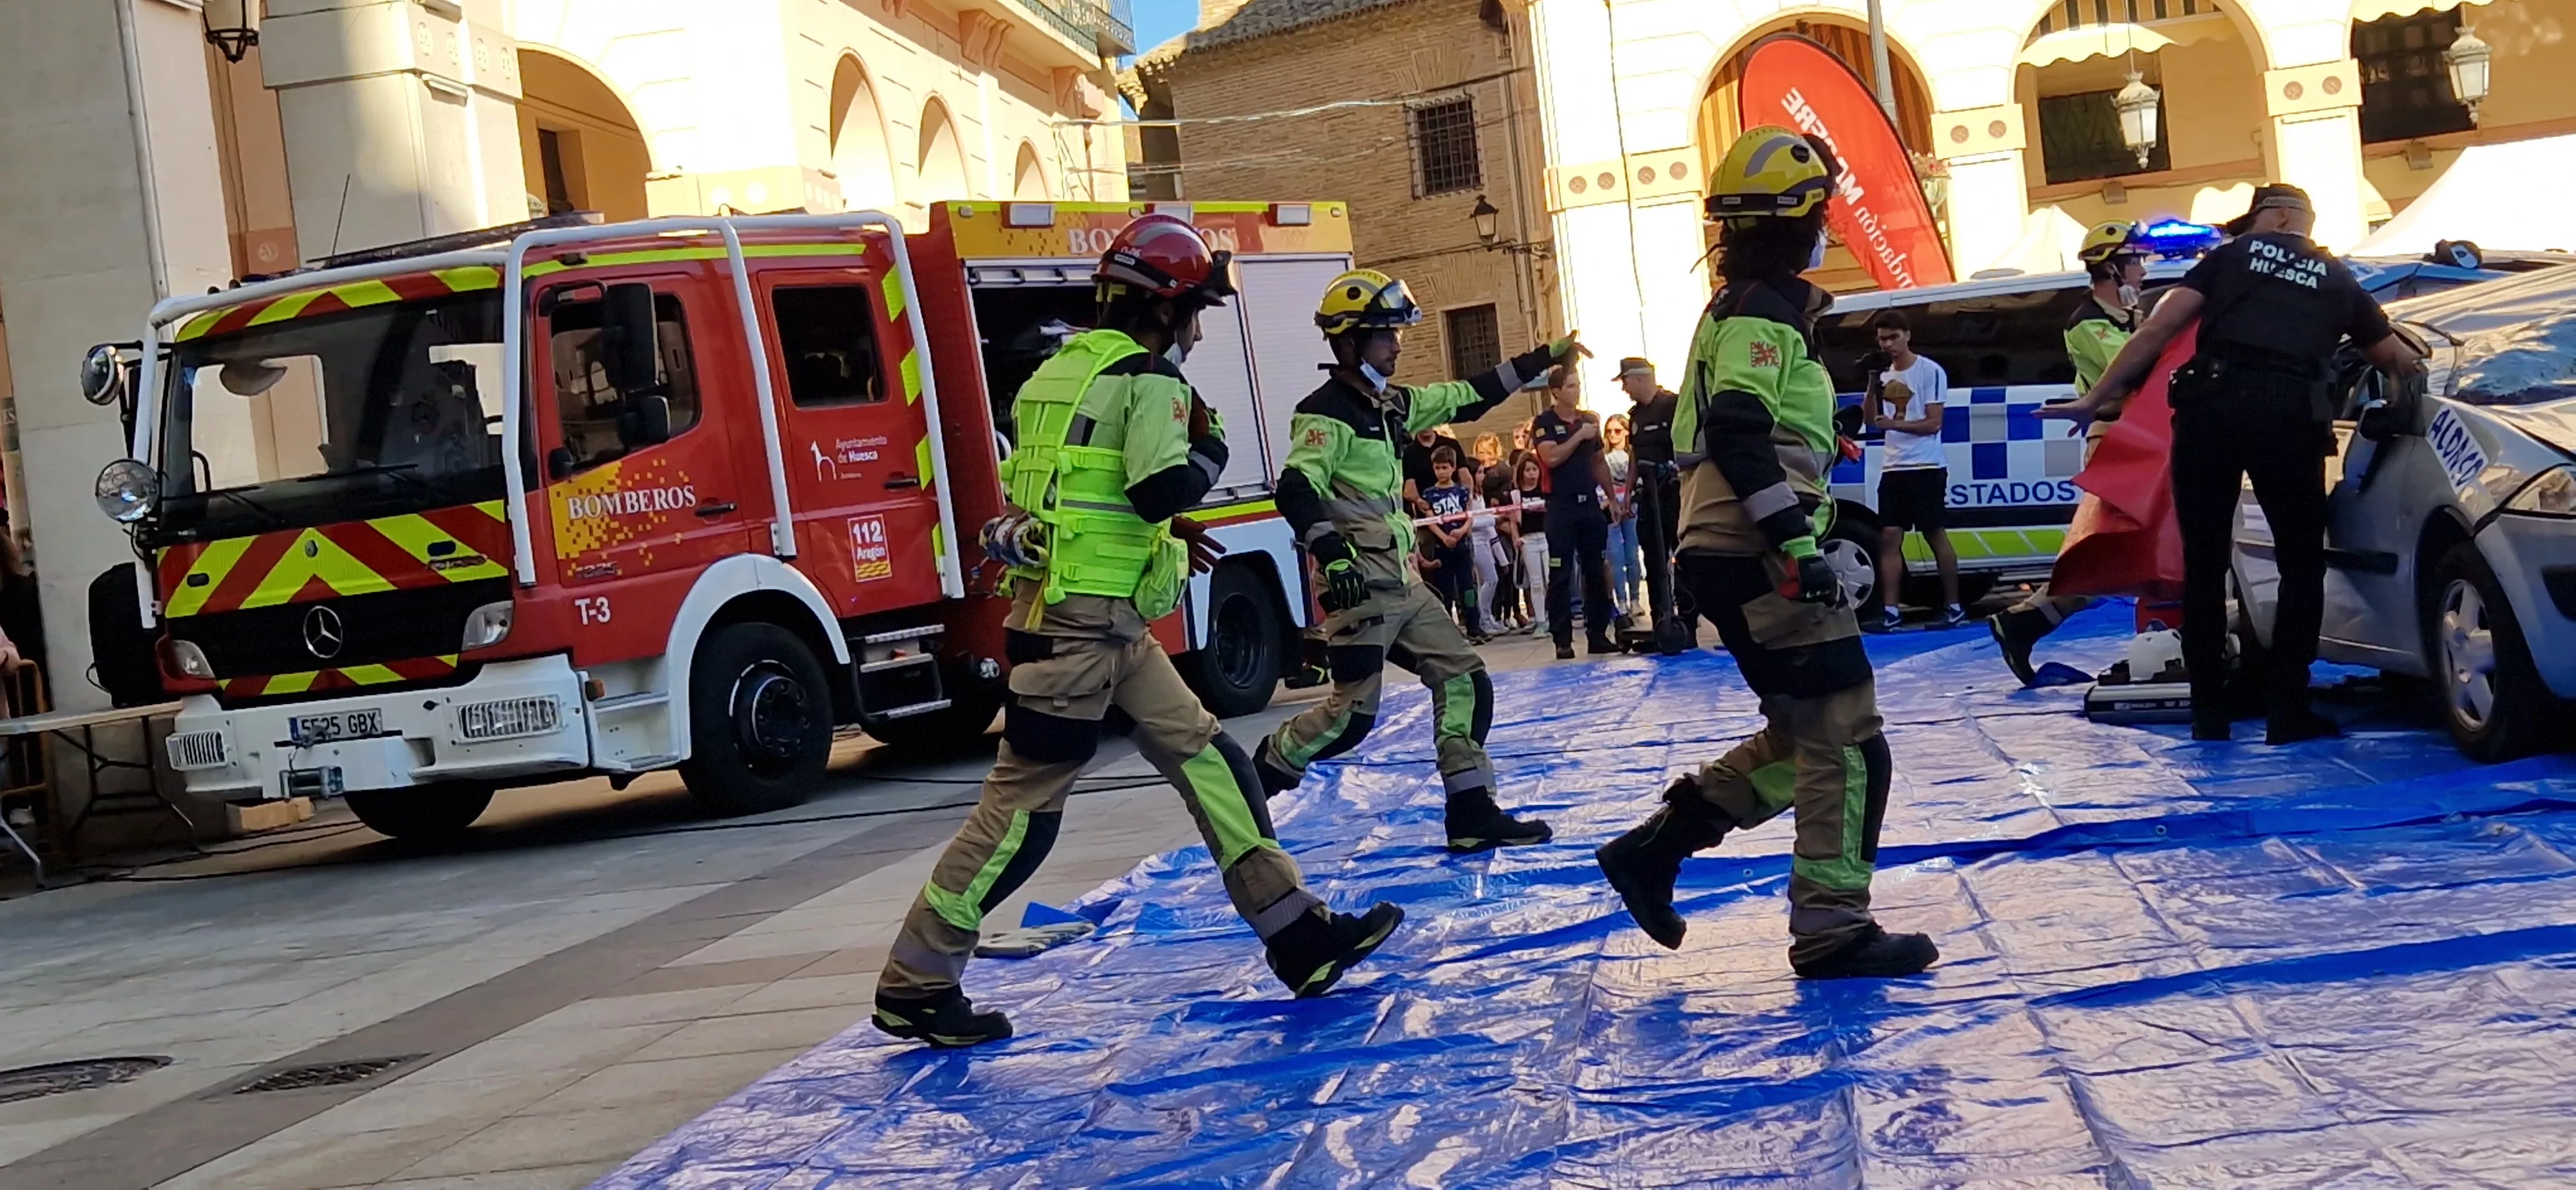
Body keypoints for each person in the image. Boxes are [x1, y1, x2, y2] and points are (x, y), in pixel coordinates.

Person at [874, 216, 1402, 1048]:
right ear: (1166, 310)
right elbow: (1159, 485)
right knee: (1020, 819)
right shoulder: (1152, 382)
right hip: (1083, 638)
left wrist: (1163, 539)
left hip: (1100, 623)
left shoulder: (1060, 373)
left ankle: (1298, 938)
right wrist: (1214, 447)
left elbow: (1073, 490)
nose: (1198, 327)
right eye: (1195, 310)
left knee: (1217, 764)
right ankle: (916, 982)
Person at [1593, 126, 1938, 981]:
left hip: (1726, 545)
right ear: (1804, 220)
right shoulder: (1762, 311)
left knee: (1805, 733)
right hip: (1758, 552)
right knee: (1851, 742)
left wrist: (1823, 445)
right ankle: (1832, 929)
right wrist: (1795, 541)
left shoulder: (1737, 307)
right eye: (1822, 209)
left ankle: (1656, 851)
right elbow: (1740, 432)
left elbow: (1731, 431)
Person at [2041, 183, 2421, 743]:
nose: (2250, 229)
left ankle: (2209, 715)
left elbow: (2159, 328)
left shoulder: (2228, 257)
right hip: (2288, 418)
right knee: (2300, 566)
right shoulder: (2336, 276)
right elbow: (2394, 359)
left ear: (2283, 216)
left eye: (2256, 219)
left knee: (2204, 564)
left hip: (2209, 411)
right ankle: (2288, 711)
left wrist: (2094, 400)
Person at [1256, 268, 1577, 851]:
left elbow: (1469, 394)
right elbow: (1296, 487)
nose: (1398, 345)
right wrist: (1332, 552)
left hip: (1399, 583)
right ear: (1350, 342)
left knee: (1464, 679)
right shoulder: (1325, 413)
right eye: (1386, 336)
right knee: (1351, 718)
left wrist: (1539, 359)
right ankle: (1256, 784)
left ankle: (1472, 814)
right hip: (1361, 585)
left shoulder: (1392, 405)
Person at [1991, 220, 2148, 683]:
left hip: (2144, 442)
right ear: (2113, 269)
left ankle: (2026, 621)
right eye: (2135, 261)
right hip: (2118, 444)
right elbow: (2131, 373)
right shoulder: (2088, 325)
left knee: (2125, 555)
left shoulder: (2131, 320)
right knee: (2110, 552)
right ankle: (2025, 621)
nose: (2142, 271)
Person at [1865, 310, 1962, 630]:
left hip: (1926, 464)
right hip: (1894, 466)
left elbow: (1934, 423)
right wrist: (1870, 382)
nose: (1888, 344)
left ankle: (1953, 605)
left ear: (1907, 335)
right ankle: (1891, 611)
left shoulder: (1929, 371)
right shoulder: (1883, 375)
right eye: (1882, 339)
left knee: (1934, 533)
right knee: (1890, 535)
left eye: (1893, 337)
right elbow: (1871, 420)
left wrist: (1895, 424)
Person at [1532, 365, 1625, 659]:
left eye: (1578, 385)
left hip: (1589, 506)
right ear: (1557, 391)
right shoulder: (1545, 422)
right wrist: (1577, 437)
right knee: (1560, 572)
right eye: (1570, 386)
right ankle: (1562, 638)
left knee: (1596, 570)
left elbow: (1599, 461)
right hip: (1561, 506)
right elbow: (1551, 457)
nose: (1576, 390)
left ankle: (1598, 633)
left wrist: (1612, 498)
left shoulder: (1588, 420)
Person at [1620, 357, 1685, 644]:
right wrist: (1627, 493)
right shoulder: (1635, 415)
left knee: (1682, 555)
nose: (1624, 388)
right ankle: (1661, 618)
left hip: (1673, 492)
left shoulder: (1672, 405)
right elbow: (1634, 455)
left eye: (1626, 381)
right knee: (1653, 556)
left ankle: (1687, 618)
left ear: (1640, 379)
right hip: (1648, 494)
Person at [1421, 446, 1482, 639]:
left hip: (1462, 546)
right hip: (1442, 547)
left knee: (1467, 587)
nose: (1441, 472)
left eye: (1444, 467)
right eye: (1437, 468)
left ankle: (1474, 626)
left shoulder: (1462, 492)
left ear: (1453, 468)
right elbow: (1430, 520)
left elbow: (1469, 516)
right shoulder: (1429, 494)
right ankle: (1448, 631)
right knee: (1445, 589)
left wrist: (1461, 531)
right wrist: (1444, 537)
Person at [1604, 413, 1643, 613]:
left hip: (1631, 508)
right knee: (1615, 558)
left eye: (1617, 431)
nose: (1613, 435)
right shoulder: (1603, 458)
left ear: (1627, 432)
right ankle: (1621, 601)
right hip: (1609, 510)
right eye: (1609, 431)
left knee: (1632, 556)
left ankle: (1635, 599)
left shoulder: (1633, 456)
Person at [1512, 453, 1550, 634]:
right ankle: (1541, 621)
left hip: (1546, 538)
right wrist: (1516, 538)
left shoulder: (1545, 492)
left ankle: (1554, 617)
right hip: (1528, 540)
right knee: (1536, 583)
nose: (1532, 474)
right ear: (1521, 473)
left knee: (1550, 579)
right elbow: (1513, 520)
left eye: (1535, 469)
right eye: (1528, 470)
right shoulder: (1516, 495)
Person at [1401, 425, 1464, 516]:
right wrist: (1419, 501)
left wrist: (1467, 497)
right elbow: (1409, 488)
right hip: (1428, 514)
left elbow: (1465, 475)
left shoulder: (1452, 444)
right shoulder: (1409, 452)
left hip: (1456, 511)